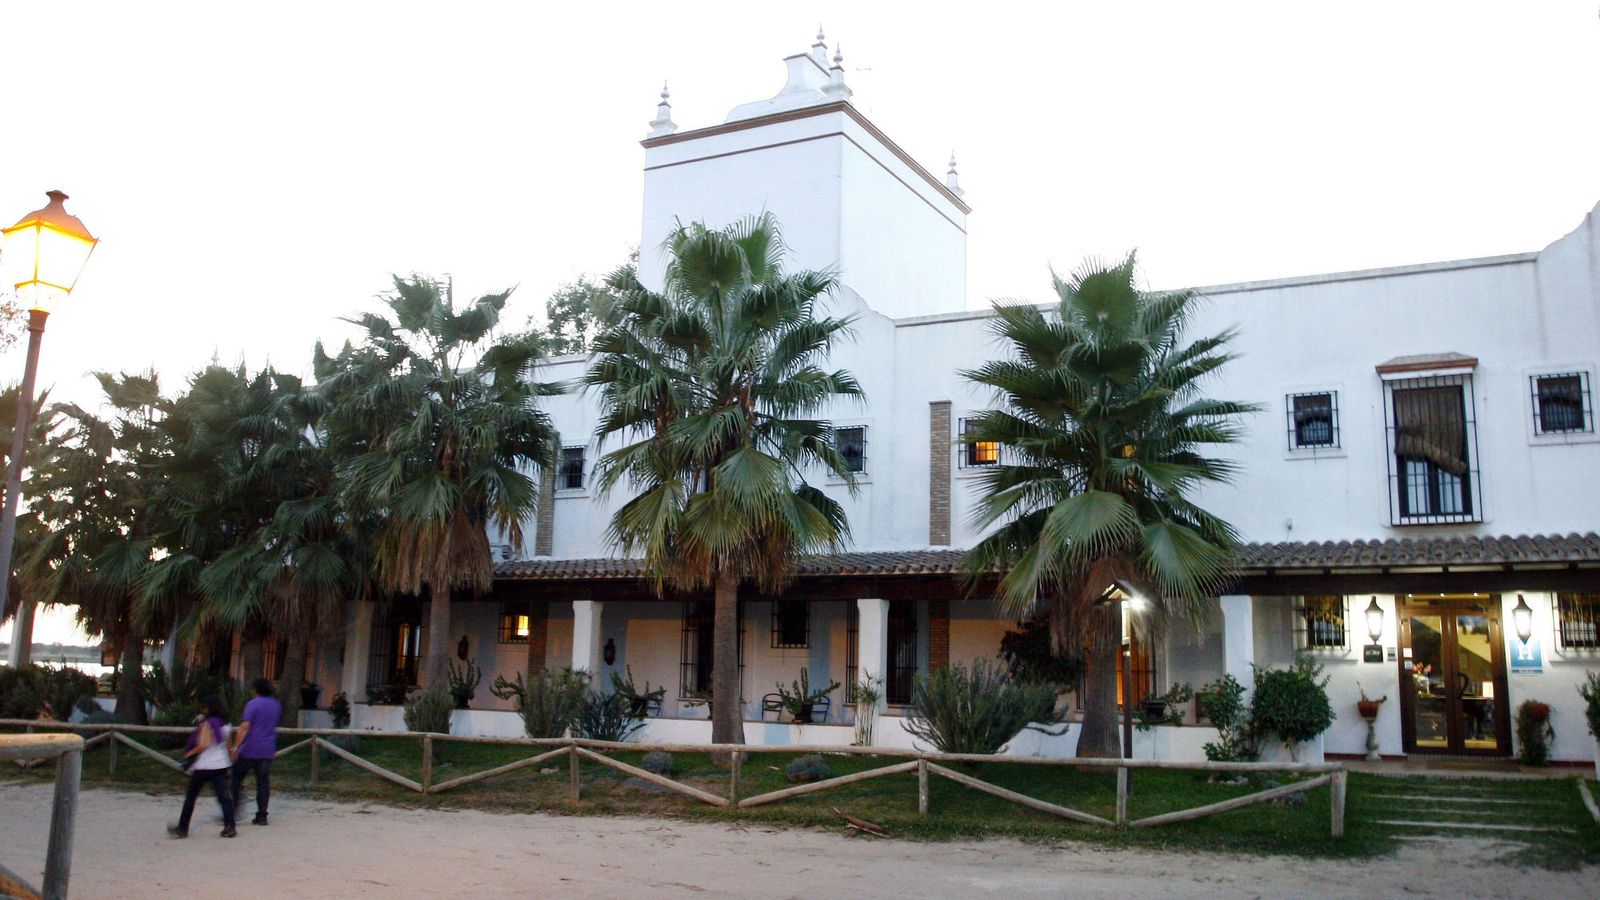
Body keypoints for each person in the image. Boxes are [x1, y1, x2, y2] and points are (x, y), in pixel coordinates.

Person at [169, 696, 236, 838]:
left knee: (191, 797)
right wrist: (230, 761)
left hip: (204, 765)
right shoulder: (226, 725)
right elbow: (228, 746)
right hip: (221, 764)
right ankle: (230, 826)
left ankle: (183, 828)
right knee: (224, 797)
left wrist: (189, 753)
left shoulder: (207, 723)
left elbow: (204, 744)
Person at [232, 677, 282, 826]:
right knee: (263, 782)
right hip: (268, 748)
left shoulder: (252, 704)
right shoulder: (276, 705)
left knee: (236, 778)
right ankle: (262, 815)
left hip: (250, 748)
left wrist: (235, 746)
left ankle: (233, 811)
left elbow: (245, 727)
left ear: (255, 690)